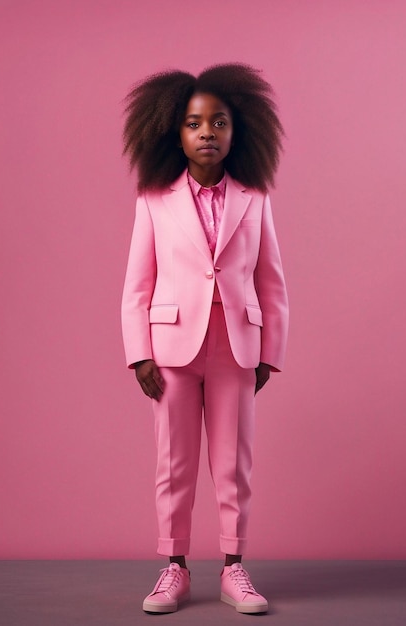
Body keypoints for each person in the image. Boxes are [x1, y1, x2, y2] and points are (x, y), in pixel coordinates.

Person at [121, 63, 289, 614]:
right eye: (194, 124)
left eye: (219, 122)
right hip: (170, 350)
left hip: (236, 348)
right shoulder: (154, 199)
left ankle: (234, 569)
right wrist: (139, 353)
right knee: (174, 462)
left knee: (233, 461)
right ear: (174, 131)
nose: (207, 133)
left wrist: (270, 354)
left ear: (239, 131)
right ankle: (174, 568)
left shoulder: (255, 198)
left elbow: (271, 280)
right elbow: (137, 282)